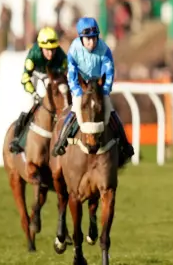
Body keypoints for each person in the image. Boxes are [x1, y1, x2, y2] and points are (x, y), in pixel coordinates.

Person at [53, 17, 135, 166]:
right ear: (81, 38)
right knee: (76, 109)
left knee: (109, 109)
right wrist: (77, 91)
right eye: (87, 39)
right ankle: (61, 142)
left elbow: (109, 72)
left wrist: (105, 90)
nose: (91, 42)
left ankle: (125, 144)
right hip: (81, 86)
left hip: (98, 86)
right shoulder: (74, 49)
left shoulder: (104, 49)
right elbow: (71, 73)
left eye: (93, 38)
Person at [8, 26, 67, 154]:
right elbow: (25, 78)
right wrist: (33, 93)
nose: (50, 54)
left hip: (53, 77)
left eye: (53, 50)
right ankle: (17, 139)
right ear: (41, 47)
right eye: (47, 50)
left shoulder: (61, 56)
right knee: (29, 104)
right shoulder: (33, 55)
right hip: (36, 76)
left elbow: (66, 73)